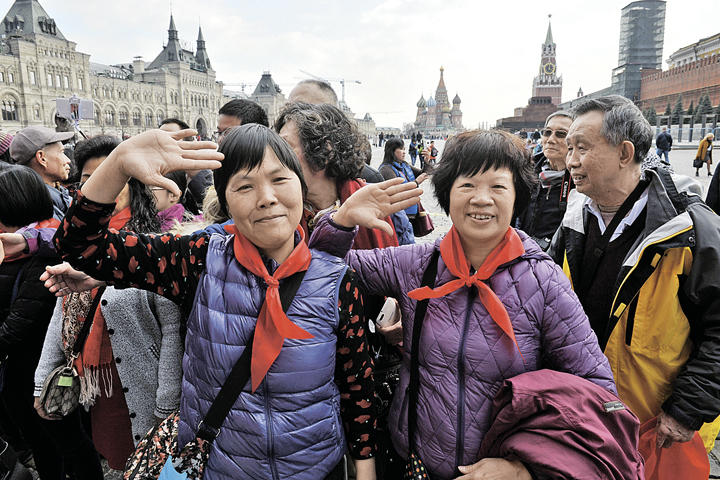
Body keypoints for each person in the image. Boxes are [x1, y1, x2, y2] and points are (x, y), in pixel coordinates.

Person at [50, 125, 396, 480]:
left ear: (301, 188)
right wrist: (119, 162)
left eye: (279, 179)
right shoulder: (198, 260)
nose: (266, 197)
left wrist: (365, 471)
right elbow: (80, 246)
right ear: (226, 201)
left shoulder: (337, 279)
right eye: (245, 186)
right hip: (221, 467)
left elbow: (357, 386)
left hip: (317, 468)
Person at [311, 129, 616, 480]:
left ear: (517, 197)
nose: (481, 199)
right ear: (447, 194)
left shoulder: (544, 283)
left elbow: (596, 393)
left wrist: (524, 469)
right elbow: (323, 268)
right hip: (412, 463)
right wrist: (342, 220)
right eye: (467, 185)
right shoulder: (418, 263)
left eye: (498, 187)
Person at [551, 95, 720, 452]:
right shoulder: (573, 221)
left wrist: (686, 409)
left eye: (581, 147)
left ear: (625, 154)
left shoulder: (690, 230)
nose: (571, 161)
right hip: (582, 417)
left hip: (655, 431)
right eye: (569, 148)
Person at [0, 164, 83, 480]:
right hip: (23, 376)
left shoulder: (43, 253)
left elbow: (16, 328)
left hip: (42, 374)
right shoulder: (18, 247)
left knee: (60, 442)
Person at [514, 111, 574, 251]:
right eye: (547, 132)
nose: (550, 139)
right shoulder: (525, 171)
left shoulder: (582, 182)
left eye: (560, 134)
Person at [9, 126, 74, 220]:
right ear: (42, 158)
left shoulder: (51, 193)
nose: (68, 160)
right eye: (61, 152)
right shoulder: (37, 204)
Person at [378, 137, 427, 236]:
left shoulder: (405, 165)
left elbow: (423, 173)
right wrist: (416, 183)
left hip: (411, 212)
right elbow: (396, 190)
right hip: (399, 214)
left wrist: (426, 161)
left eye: (404, 149)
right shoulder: (386, 169)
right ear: (391, 151)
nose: (404, 152)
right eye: (400, 149)